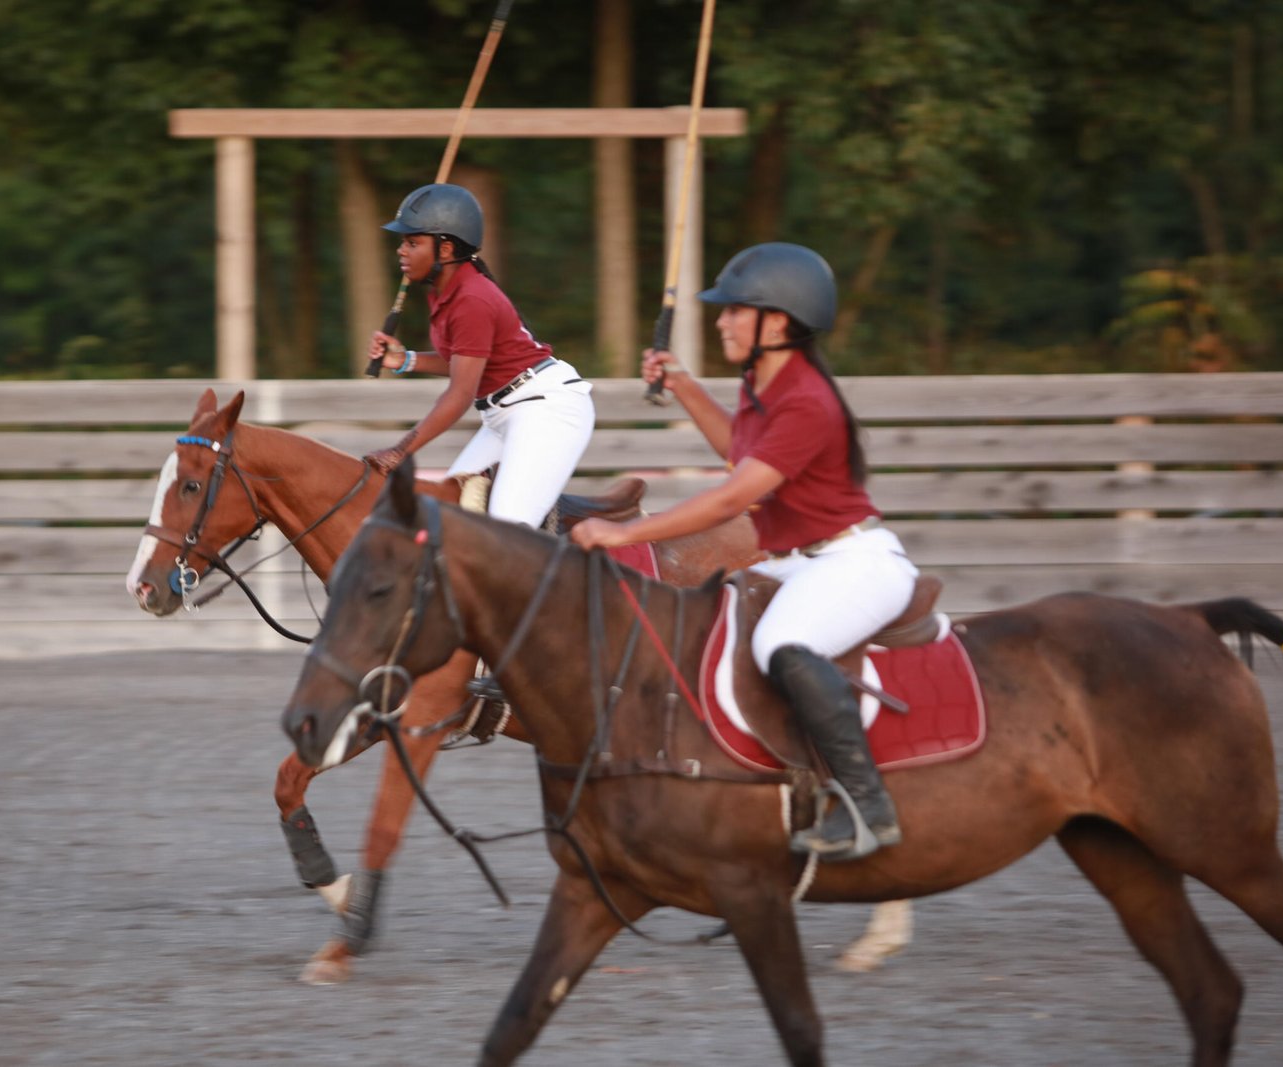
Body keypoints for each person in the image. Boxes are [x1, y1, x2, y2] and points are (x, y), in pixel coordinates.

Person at [571, 242, 917, 862]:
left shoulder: (808, 400)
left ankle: (868, 806)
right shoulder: (766, 386)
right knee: (709, 615)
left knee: (780, 645)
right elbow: (741, 450)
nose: (722, 321)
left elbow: (733, 499)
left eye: (734, 311)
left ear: (777, 323)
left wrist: (624, 535)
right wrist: (680, 383)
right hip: (803, 558)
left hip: (854, 561)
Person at [365, 183, 595, 527]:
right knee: (452, 517)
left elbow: (460, 394)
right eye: (403, 242)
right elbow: (468, 362)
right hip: (504, 414)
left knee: (503, 533)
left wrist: (401, 451)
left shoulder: (472, 298)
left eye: (413, 242)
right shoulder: (448, 291)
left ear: (445, 250)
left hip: (546, 412)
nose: (401, 250)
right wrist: (406, 360)